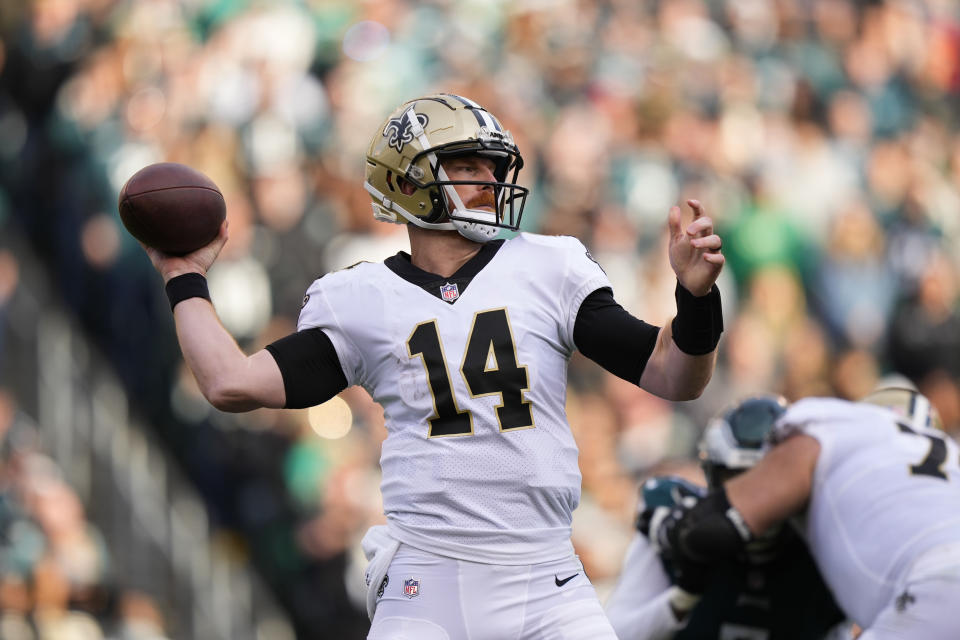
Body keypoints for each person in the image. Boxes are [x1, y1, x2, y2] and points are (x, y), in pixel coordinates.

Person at [140, 93, 726, 639]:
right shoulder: (360, 298)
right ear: (408, 180)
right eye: (470, 167)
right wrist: (182, 275)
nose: (491, 182)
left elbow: (675, 376)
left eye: (494, 168)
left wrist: (695, 300)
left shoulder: (550, 267)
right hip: (428, 584)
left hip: (547, 578)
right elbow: (229, 384)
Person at [649, 382, 960, 640]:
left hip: (935, 584)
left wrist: (669, 524)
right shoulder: (944, 457)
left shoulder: (822, 428)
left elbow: (713, 527)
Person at [605, 395, 847, 640]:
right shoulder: (680, 524)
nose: (758, 498)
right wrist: (683, 596)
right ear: (714, 475)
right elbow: (612, 635)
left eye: (768, 480)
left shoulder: (829, 539)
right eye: (741, 479)